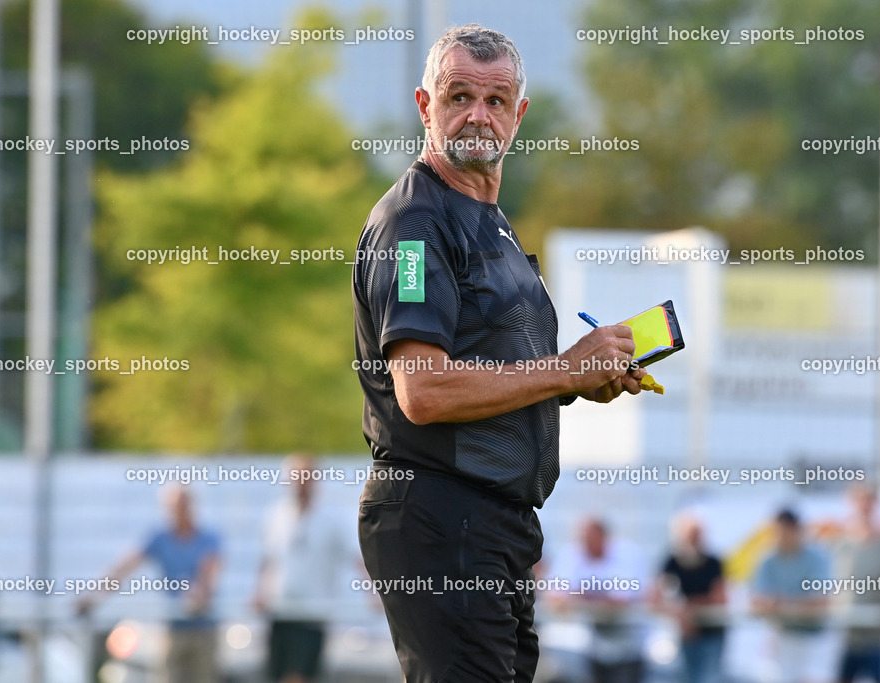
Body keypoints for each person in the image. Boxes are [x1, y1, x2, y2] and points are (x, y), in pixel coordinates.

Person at [352, 23, 648, 682]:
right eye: (459, 96)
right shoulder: (414, 228)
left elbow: (504, 370)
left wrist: (580, 379)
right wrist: (565, 368)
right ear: (426, 107)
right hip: (440, 515)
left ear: (519, 113)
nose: (477, 116)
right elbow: (422, 390)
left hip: (493, 526)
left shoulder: (493, 219)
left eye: (495, 100)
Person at [79, 485, 222, 683]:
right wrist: (94, 596)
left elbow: (209, 574)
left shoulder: (208, 538)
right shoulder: (160, 538)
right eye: (173, 507)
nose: (177, 512)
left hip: (204, 629)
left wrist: (198, 595)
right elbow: (125, 567)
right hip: (173, 628)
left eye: (182, 506)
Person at [253, 454, 359, 683]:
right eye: (296, 476)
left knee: (298, 677)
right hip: (279, 610)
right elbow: (268, 559)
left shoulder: (332, 518)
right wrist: (260, 592)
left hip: (312, 613)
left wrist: (376, 593)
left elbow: (356, 556)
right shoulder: (276, 514)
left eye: (306, 476)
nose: (301, 482)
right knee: (278, 675)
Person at [549, 517, 647, 683]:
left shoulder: (627, 554)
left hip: (628, 647)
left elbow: (620, 602)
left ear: (602, 536)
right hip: (592, 648)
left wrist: (580, 596)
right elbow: (555, 596)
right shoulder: (574, 554)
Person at [752, 508, 835, 683]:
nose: (782, 537)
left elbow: (821, 601)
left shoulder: (816, 558)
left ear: (797, 530)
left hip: (813, 638)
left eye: (786, 531)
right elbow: (757, 601)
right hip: (780, 637)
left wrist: (781, 603)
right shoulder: (767, 560)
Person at [652, 512, 728, 683]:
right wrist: (679, 614)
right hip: (686, 633)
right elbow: (655, 596)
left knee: (709, 678)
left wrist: (687, 609)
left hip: (712, 632)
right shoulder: (673, 561)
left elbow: (720, 598)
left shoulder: (713, 562)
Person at [832, 484, 880, 683]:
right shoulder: (840, 545)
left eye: (869, 501)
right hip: (847, 636)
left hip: (878, 638)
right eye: (860, 501)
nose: (864, 507)